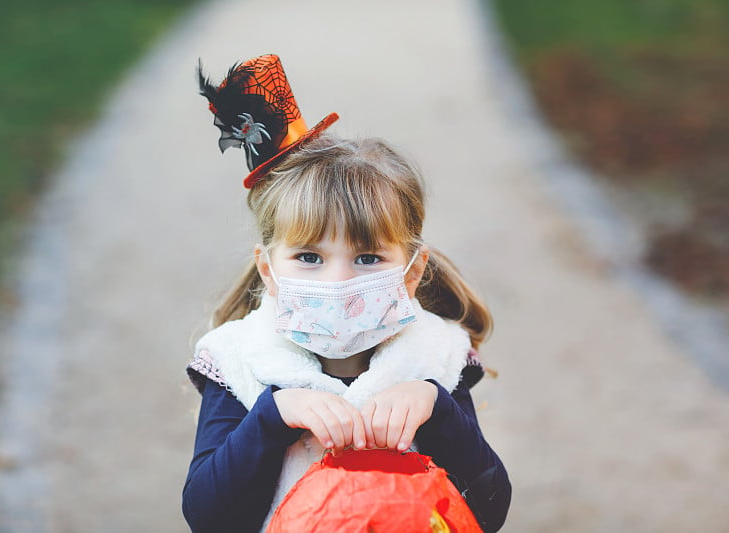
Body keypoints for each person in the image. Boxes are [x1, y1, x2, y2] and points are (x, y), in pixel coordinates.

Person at [183, 54, 510, 532]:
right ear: (268, 270)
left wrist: (436, 408)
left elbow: (489, 510)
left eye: (368, 258)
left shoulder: (435, 358)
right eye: (310, 258)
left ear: (413, 271)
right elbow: (208, 519)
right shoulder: (239, 362)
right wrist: (271, 418)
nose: (338, 283)